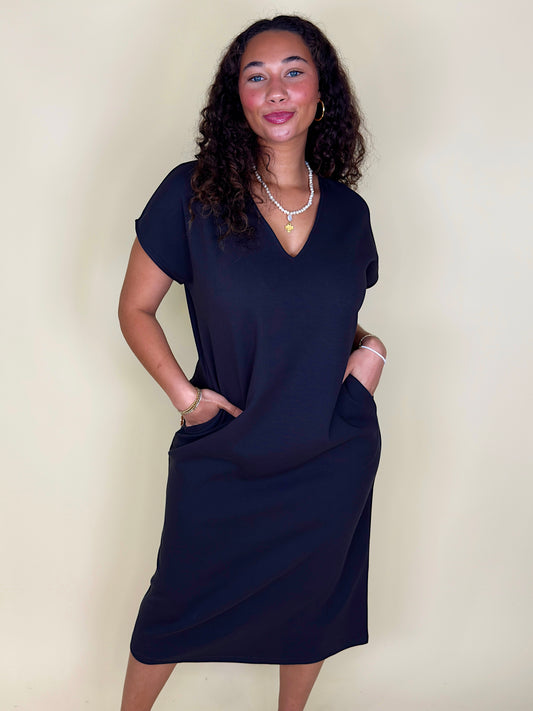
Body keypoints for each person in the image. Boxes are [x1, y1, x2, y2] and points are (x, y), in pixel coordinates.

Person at [118, 14, 387, 711]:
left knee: (312, 604)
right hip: (227, 449)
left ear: (320, 91)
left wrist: (370, 353)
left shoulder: (349, 214)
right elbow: (135, 308)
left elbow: (322, 316)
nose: (276, 90)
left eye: (294, 72)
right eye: (256, 76)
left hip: (328, 453)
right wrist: (187, 399)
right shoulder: (192, 192)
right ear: (235, 97)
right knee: (173, 607)